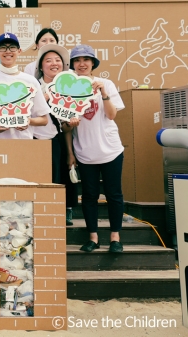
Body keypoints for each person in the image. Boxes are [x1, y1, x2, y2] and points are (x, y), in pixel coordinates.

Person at [66, 44, 125, 253]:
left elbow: (111, 115)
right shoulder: (67, 87)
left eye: (86, 60)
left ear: (93, 63)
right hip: (85, 151)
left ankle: (115, 238)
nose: (82, 64)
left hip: (111, 150)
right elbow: (65, 124)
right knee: (89, 195)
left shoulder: (106, 83)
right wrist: (70, 124)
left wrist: (104, 92)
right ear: (72, 64)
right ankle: (93, 238)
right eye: (77, 60)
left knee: (113, 194)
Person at [0, 33, 49, 139]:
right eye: (3, 48)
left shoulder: (31, 81)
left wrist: (29, 121)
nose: (8, 51)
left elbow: (44, 119)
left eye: (12, 47)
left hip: (22, 146)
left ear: (19, 51)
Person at [32, 44, 78, 225]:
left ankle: (59, 212)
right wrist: (43, 99)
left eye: (58, 60)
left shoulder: (68, 89)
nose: (54, 64)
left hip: (55, 139)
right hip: (32, 140)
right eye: (48, 60)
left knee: (58, 177)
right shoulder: (33, 85)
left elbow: (65, 128)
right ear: (41, 66)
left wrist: (70, 151)